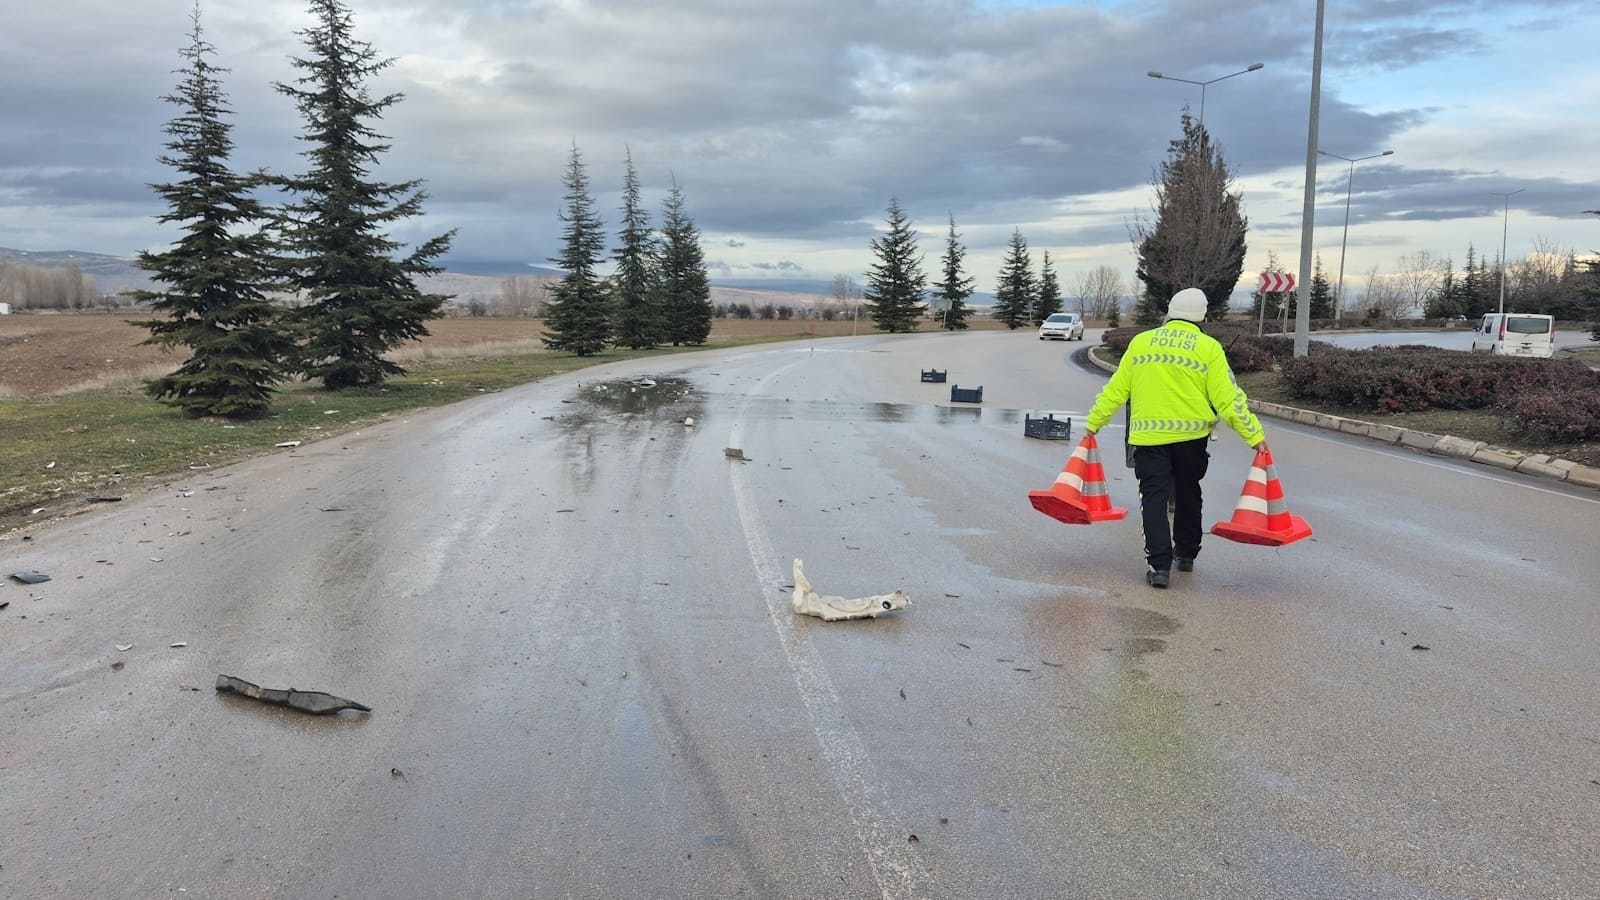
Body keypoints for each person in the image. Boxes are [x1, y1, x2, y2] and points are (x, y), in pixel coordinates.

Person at [1084, 288, 1268, 588]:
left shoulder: (1141, 343)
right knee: (1187, 491)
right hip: (1191, 439)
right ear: (1202, 316)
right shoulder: (1208, 348)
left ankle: (1159, 567)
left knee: (1153, 497)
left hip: (1148, 438)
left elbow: (1116, 390)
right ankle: (1186, 555)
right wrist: (1254, 436)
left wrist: (1094, 424)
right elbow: (1228, 400)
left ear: (1169, 311)